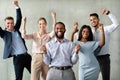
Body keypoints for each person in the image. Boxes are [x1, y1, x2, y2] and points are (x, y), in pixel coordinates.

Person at [0, 0, 31, 80]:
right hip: (17, 59)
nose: (10, 25)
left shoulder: (16, 29)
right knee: (18, 78)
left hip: (27, 56)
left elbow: (19, 18)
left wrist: (17, 6)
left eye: (12, 23)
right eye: (8, 23)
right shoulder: (4, 34)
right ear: (5, 24)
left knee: (35, 75)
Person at [21, 12, 56, 80]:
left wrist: (54, 17)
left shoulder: (48, 35)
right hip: (36, 57)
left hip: (46, 57)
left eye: (43, 23)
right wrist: (24, 23)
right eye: (40, 24)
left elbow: (54, 31)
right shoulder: (34, 34)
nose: (42, 25)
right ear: (38, 24)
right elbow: (24, 36)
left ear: (46, 24)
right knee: (34, 77)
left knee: (46, 77)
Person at [89, 9, 119, 80]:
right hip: (93, 58)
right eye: (90, 20)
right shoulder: (90, 32)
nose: (92, 21)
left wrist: (108, 13)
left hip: (104, 58)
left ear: (98, 19)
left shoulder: (106, 29)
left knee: (105, 78)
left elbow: (116, 24)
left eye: (94, 19)